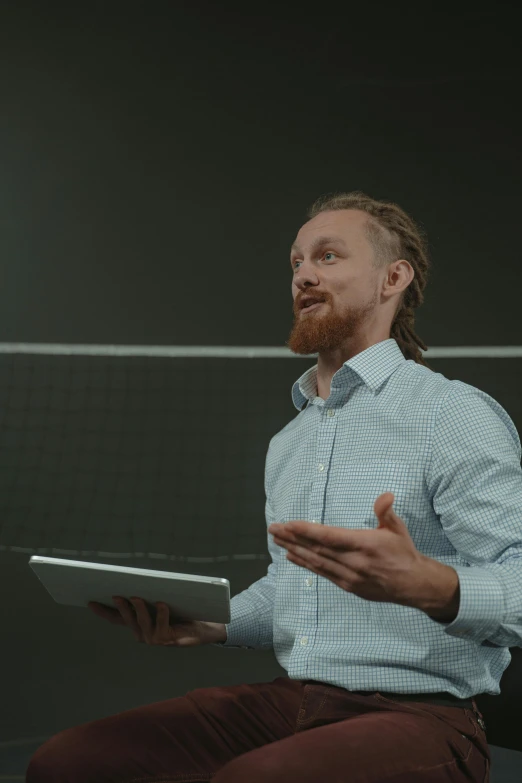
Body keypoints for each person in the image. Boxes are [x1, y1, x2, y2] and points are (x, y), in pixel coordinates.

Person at [26, 190, 521, 782]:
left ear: (393, 277)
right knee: (70, 763)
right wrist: (216, 624)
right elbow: (291, 592)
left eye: (329, 256)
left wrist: (432, 585)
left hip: (426, 719)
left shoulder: (453, 413)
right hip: (296, 703)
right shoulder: (290, 442)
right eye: (297, 262)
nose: (305, 274)